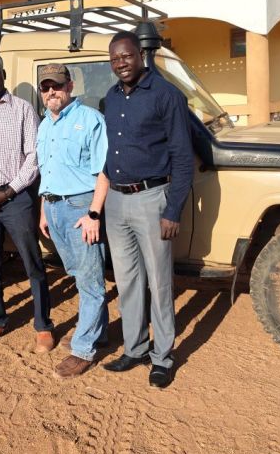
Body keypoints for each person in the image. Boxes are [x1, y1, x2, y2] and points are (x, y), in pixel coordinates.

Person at [102, 31, 193, 388]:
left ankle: (162, 357)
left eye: (125, 57)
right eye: (114, 60)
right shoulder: (110, 98)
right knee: (127, 282)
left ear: (140, 55)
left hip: (152, 200)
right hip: (116, 201)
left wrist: (173, 210)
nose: (120, 64)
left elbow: (183, 158)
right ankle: (135, 348)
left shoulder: (166, 96)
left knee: (159, 283)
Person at [0, 54, 55, 352]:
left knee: (33, 264)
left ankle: (43, 325)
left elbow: (34, 157)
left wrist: (10, 191)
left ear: (3, 74)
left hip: (15, 198)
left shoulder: (23, 110)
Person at [36, 64, 110, 379]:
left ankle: (83, 349)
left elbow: (104, 171)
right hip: (53, 208)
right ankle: (98, 332)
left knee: (90, 281)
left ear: (69, 85)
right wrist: (43, 209)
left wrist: (93, 213)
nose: (51, 91)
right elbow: (46, 170)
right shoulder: (44, 126)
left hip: (81, 207)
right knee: (78, 273)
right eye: (45, 87)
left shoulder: (91, 120)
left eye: (57, 85)